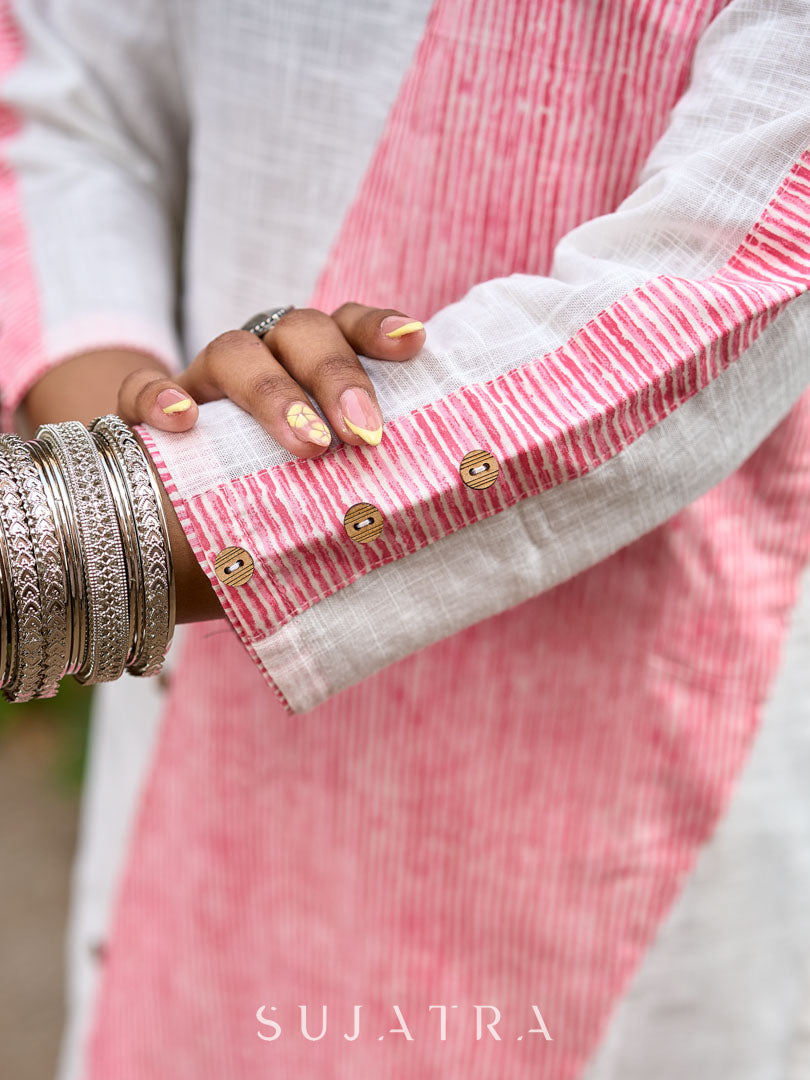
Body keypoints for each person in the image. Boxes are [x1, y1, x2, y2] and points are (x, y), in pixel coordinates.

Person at [2, 0, 810, 1076]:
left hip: (612, 747)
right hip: (202, 709)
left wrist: (71, 538)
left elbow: (737, 268)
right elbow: (59, 94)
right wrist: (137, 428)